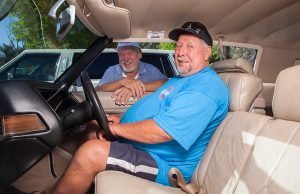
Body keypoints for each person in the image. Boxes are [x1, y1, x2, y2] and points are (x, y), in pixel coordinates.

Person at [46, 21, 230, 194]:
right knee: (93, 126)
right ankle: (80, 183)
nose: (180, 52)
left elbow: (163, 131)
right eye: (178, 46)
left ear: (207, 53)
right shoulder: (181, 80)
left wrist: (117, 129)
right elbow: (160, 111)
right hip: (145, 148)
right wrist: (121, 119)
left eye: (189, 46)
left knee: (92, 152)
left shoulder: (206, 87)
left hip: (165, 166)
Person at [95, 42, 167, 105]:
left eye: (130, 53)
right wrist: (122, 82)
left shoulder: (150, 69)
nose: (126, 58)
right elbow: (98, 90)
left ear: (140, 55)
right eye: (121, 54)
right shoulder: (111, 71)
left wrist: (135, 88)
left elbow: (167, 84)